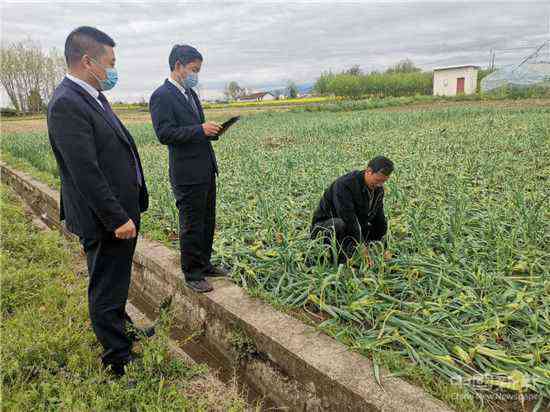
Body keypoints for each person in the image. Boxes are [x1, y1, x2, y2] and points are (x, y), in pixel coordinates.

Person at [47, 26, 150, 376]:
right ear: (88, 61)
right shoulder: (67, 103)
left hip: (117, 210)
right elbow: (85, 172)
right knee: (106, 286)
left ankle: (123, 330)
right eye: (111, 62)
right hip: (104, 218)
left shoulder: (91, 96)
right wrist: (116, 217)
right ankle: (117, 359)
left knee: (115, 280)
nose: (113, 69)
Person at [149, 44, 228, 293]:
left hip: (205, 168)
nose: (196, 75)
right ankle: (192, 273)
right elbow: (165, 133)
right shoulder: (162, 96)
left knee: (207, 220)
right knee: (192, 224)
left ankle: (204, 264)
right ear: (178, 66)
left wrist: (211, 132)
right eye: (194, 69)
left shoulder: (190, 94)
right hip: (186, 174)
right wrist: (199, 130)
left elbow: (195, 129)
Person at [310, 156, 394, 264]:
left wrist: (384, 246)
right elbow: (348, 218)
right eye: (378, 180)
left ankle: (356, 248)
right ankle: (340, 259)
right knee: (338, 224)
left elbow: (379, 218)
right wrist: (361, 246)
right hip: (326, 227)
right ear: (368, 171)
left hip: (352, 228)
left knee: (379, 227)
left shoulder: (378, 190)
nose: (380, 185)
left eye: (383, 181)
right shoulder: (344, 185)